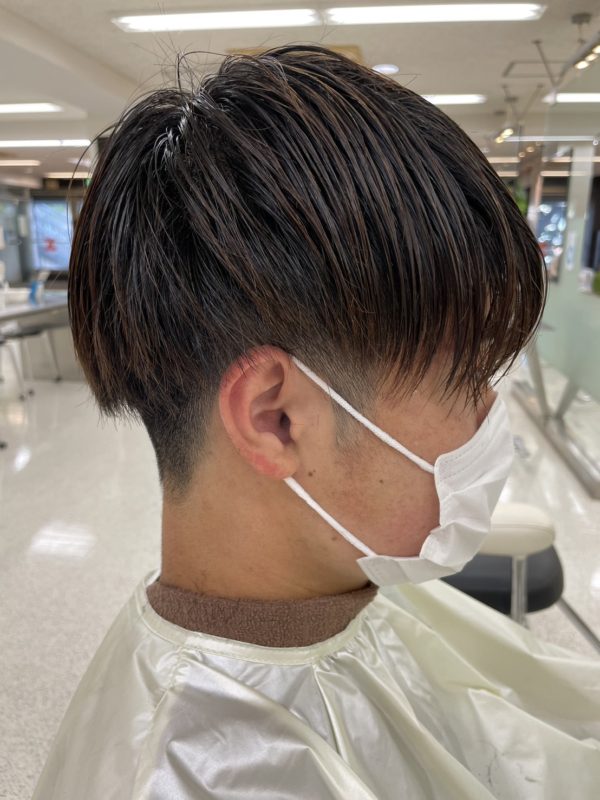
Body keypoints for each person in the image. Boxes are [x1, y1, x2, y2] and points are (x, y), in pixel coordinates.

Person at [33, 44, 599, 799]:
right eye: (466, 381)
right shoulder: (182, 774)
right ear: (277, 420)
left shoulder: (347, 581)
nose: (490, 417)